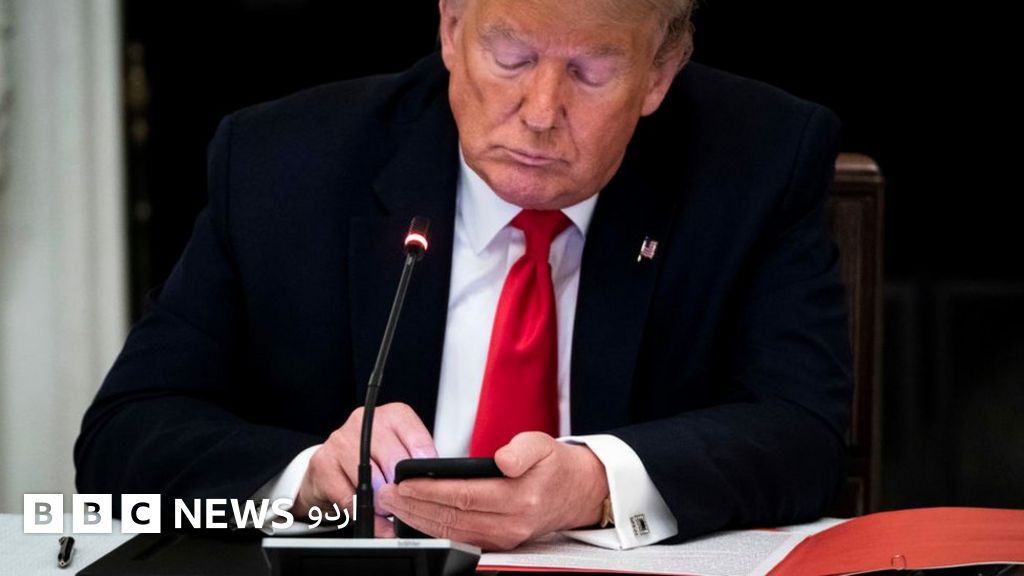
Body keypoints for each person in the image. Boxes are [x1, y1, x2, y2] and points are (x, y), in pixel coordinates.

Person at [75, 0, 851, 552]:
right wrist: (308, 481)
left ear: (658, 74)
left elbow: (807, 437)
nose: (540, 111)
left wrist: (595, 483)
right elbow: (123, 439)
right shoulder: (283, 165)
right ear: (451, 29)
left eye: (590, 72)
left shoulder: (757, 162)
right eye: (511, 58)